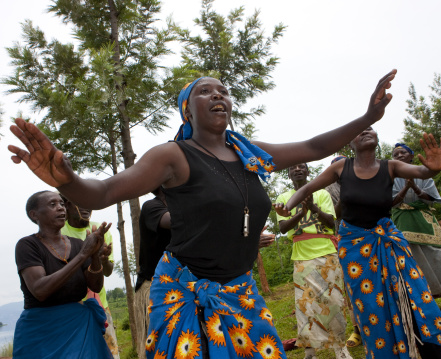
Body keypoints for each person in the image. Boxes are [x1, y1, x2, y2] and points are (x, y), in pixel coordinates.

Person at [8, 70, 396, 359]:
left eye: (224, 91)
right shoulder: (173, 156)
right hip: (184, 293)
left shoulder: (251, 153)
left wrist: (367, 118)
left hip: (241, 292)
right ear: (187, 110)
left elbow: (313, 146)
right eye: (204, 91)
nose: (218, 95)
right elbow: (107, 190)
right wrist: (67, 179)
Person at [274, 128, 441, 359]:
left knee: (411, 294)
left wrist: (431, 169)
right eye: (359, 131)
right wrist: (288, 207)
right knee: (371, 305)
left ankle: (424, 350)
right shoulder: (341, 167)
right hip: (355, 248)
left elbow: (420, 171)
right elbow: (308, 188)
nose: (366, 131)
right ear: (350, 144)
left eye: (370, 129)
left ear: (377, 140)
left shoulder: (390, 166)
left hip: (388, 241)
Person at [14, 191, 113, 359]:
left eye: (61, 204)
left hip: (79, 327)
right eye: (53, 205)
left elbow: (96, 286)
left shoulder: (77, 244)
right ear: (34, 214)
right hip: (41, 332)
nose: (61, 208)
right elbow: (40, 290)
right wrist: (83, 255)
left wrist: (95, 256)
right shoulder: (28, 246)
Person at [275, 163, 351, 359]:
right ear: (289, 174)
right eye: (293, 168)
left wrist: (313, 207)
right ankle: (310, 351)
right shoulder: (284, 198)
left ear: (308, 172)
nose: (297, 169)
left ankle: (340, 348)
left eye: (302, 167)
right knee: (305, 305)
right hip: (301, 257)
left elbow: (331, 223)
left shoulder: (322, 194)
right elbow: (283, 228)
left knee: (334, 301)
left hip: (326, 252)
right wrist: (301, 212)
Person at [391, 143, 441, 315]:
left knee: (439, 257)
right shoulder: (390, 178)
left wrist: (415, 187)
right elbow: (390, 202)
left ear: (411, 156)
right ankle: (422, 305)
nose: (399, 156)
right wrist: (406, 187)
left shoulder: (424, 173)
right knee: (412, 261)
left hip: (424, 220)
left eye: (403, 152)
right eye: (395, 154)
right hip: (402, 221)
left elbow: (432, 199)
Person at [60, 196, 120, 359]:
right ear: (67, 204)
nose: (86, 207)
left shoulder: (101, 230)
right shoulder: (58, 231)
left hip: (99, 306)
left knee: (107, 354)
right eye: (80, 202)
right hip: (70, 308)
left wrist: (102, 259)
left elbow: (107, 272)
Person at [325, 156, 362, 349]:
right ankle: (358, 329)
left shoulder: (366, 180)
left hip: (371, 236)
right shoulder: (328, 191)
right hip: (346, 241)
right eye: (338, 168)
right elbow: (335, 215)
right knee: (352, 286)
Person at [134, 186, 172, 359]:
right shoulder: (152, 207)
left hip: (182, 288)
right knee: (161, 350)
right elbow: (173, 220)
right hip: (155, 290)